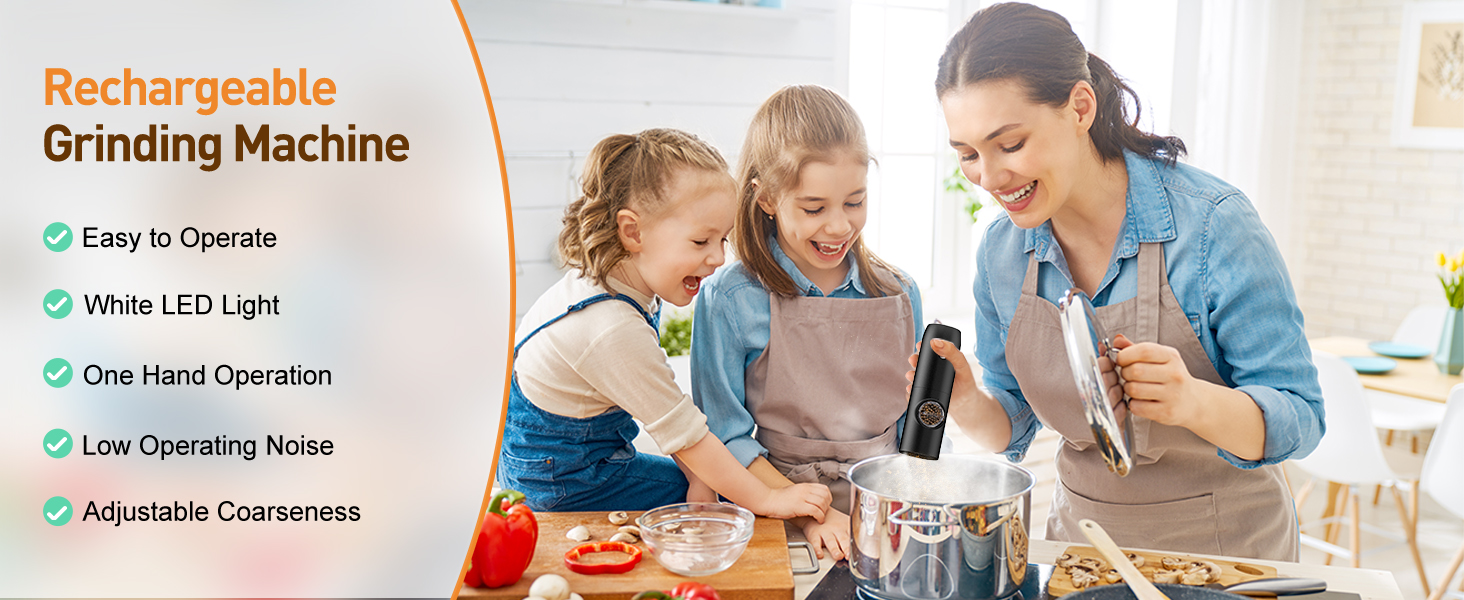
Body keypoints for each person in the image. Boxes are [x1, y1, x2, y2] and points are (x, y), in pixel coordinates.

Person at [924, 3, 1325, 561]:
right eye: (968, 154)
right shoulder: (1002, 252)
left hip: (1226, 555)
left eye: (1010, 145)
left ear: (1080, 107)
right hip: (1082, 549)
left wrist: (1192, 401)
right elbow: (1012, 425)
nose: (989, 177)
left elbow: (1301, 417)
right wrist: (967, 401)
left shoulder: (1213, 225)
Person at [498, 128, 833, 520]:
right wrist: (768, 500)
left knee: (714, 481)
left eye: (722, 240)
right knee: (735, 501)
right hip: (566, 482)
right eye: (701, 241)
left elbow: (666, 411)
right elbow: (685, 435)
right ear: (633, 232)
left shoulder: (606, 282)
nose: (718, 258)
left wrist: (699, 477)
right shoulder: (610, 327)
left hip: (546, 463)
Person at [691, 86, 923, 561]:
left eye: (855, 202)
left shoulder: (899, 292)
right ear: (766, 198)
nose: (839, 227)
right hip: (775, 509)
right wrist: (808, 513)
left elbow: (918, 427)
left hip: (889, 512)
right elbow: (722, 436)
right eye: (814, 208)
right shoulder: (730, 298)